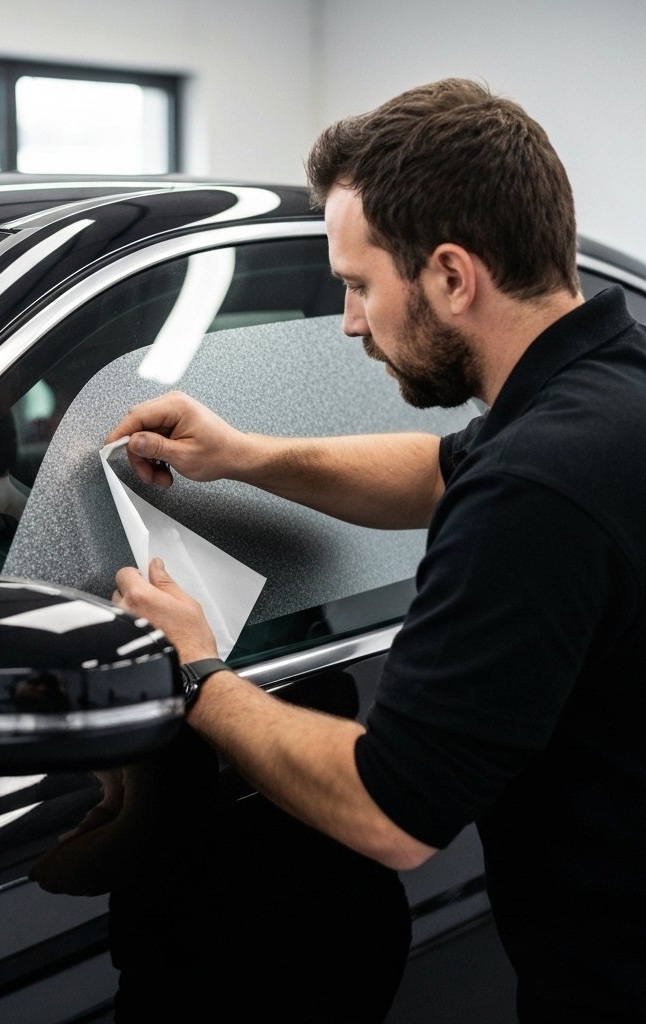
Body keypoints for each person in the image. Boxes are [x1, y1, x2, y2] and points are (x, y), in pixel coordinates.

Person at [108, 78, 646, 1023]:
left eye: (359, 285)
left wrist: (197, 670)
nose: (352, 322)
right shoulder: (609, 391)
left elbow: (392, 812)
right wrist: (243, 457)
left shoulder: (534, 487)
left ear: (450, 274)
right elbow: (445, 472)